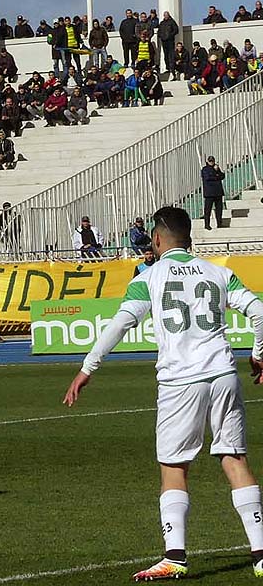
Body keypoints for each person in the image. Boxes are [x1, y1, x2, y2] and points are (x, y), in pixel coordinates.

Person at [62, 207, 263, 581]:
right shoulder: (218, 272)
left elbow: (119, 324)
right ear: (190, 238)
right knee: (235, 458)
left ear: (156, 239)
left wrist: (87, 368)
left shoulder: (149, 277)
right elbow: (259, 312)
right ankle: (261, 556)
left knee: (174, 467)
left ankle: (174, 557)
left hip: (179, 381)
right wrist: (258, 353)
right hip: (223, 373)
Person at [202, 156, 225, 231]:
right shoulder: (205, 169)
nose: (211, 162)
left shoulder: (217, 168)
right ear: (208, 161)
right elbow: (208, 178)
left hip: (218, 192)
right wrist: (216, 175)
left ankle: (219, 223)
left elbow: (222, 176)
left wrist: (217, 171)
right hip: (209, 193)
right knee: (207, 210)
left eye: (212, 161)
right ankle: (207, 224)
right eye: (210, 161)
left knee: (219, 209)